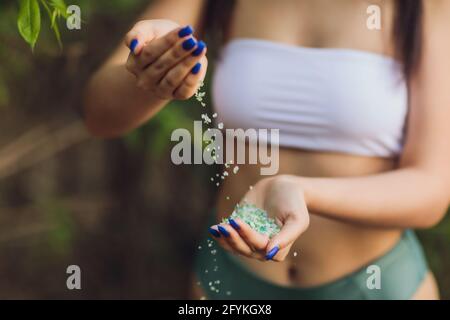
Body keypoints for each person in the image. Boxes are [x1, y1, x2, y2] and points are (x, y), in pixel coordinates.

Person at [83, 0, 450, 299]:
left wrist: (303, 191)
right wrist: (153, 71)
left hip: (374, 285)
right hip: (229, 286)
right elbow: (99, 115)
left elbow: (432, 189)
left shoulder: (425, 7)